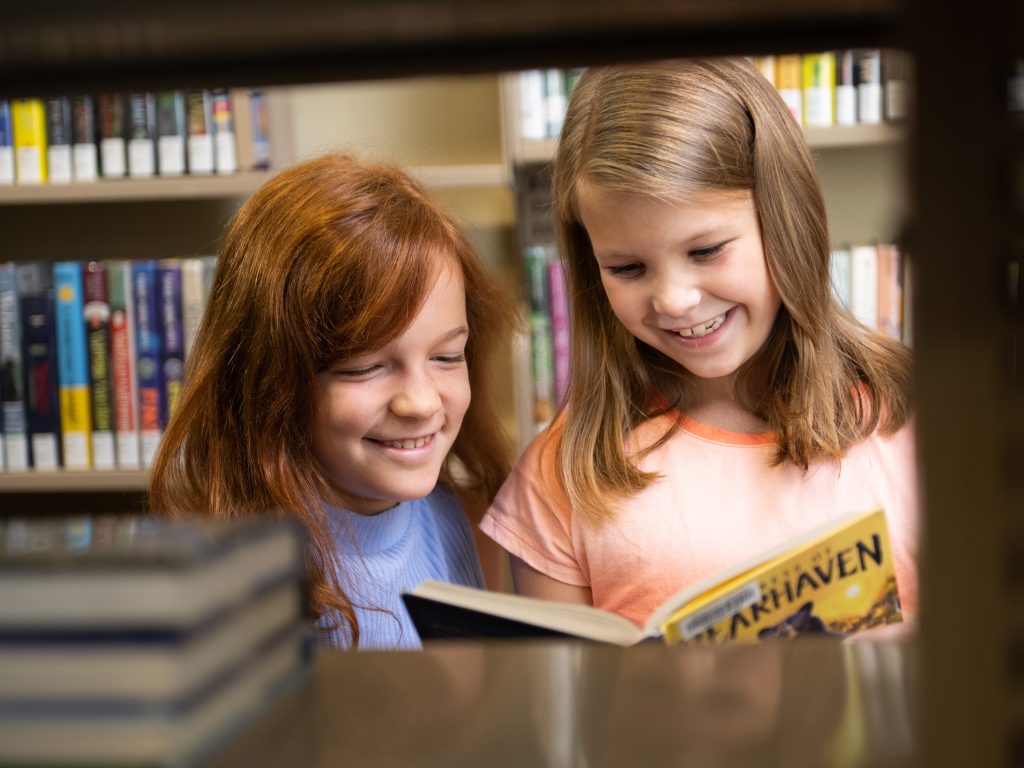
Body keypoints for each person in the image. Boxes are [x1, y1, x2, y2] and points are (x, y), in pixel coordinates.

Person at [480, 58, 919, 633]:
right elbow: (564, 713)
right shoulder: (564, 476)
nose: (675, 300)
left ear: (786, 221)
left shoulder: (910, 415)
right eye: (628, 267)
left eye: (707, 250)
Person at [150, 153, 519, 650]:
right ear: (271, 384)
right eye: (364, 367)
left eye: (447, 356)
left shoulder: (460, 519)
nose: (419, 401)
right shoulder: (236, 583)